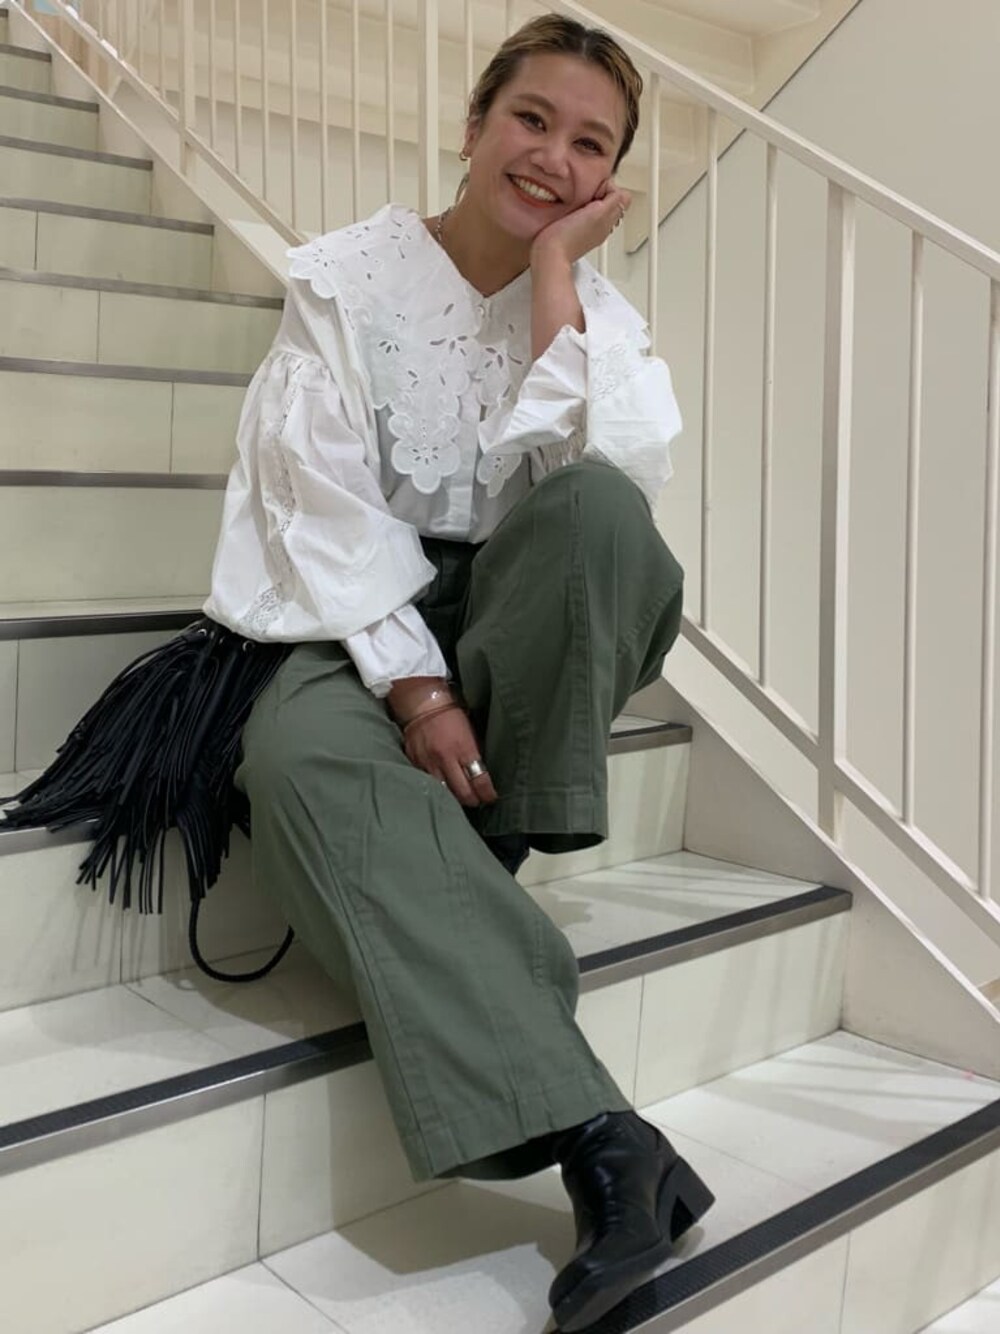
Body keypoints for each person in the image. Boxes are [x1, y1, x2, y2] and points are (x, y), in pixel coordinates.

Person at [204, 14, 714, 1330]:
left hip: (511, 613)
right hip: (350, 608)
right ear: (476, 122)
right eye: (531, 119)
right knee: (298, 759)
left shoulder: (596, 315)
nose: (552, 157)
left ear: (607, 182)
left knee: (599, 510)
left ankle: (471, 847)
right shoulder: (348, 277)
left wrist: (552, 276)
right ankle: (608, 1142)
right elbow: (315, 498)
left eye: (589, 144)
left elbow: (606, 503)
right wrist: (415, 688)